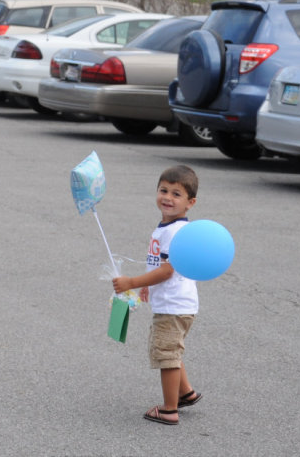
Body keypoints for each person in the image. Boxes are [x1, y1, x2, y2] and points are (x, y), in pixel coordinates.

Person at [112, 164, 202, 426]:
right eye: (164, 190)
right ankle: (185, 393)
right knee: (171, 350)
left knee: (167, 355)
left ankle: (169, 410)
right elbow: (159, 268)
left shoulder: (174, 232)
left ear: (190, 203)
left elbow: (166, 272)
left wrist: (132, 281)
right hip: (176, 304)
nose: (167, 197)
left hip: (174, 306)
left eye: (176, 194)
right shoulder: (167, 227)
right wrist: (146, 286)